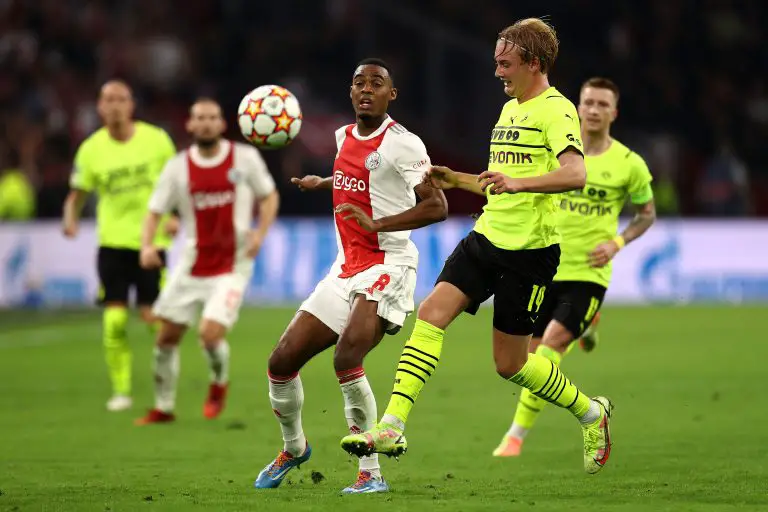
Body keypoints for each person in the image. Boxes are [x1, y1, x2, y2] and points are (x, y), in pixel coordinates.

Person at [341, 19, 613, 475]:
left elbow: (575, 174)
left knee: (510, 365)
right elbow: (499, 185)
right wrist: (460, 180)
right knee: (431, 313)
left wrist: (518, 181)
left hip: (530, 253)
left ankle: (591, 413)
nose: (497, 73)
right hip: (486, 238)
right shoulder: (509, 111)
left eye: (505, 64)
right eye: (495, 64)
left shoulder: (557, 110)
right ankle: (392, 425)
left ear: (533, 62)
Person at [253, 58, 448, 494]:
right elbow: (355, 180)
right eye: (359, 82)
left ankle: (371, 474)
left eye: (376, 83)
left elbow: (437, 206)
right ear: (350, 92)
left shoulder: (404, 144)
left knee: (347, 357)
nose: (366, 89)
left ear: (390, 95)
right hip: (345, 270)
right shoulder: (343, 136)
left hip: (389, 266)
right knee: (280, 363)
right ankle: (294, 448)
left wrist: (378, 224)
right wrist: (321, 183)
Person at [493, 77, 656, 457]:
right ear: (578, 107)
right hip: (545, 266)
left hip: (588, 274)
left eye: (602, 104)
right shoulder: (557, 153)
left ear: (614, 112)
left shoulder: (630, 165)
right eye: (588, 102)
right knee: (530, 362)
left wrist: (616, 243)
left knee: (550, 348)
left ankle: (515, 436)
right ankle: (590, 327)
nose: (594, 110)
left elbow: (646, 215)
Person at [133, 98, 279, 425]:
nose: (207, 123)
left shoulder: (245, 158)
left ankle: (218, 383)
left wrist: (260, 232)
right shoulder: (178, 167)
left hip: (233, 264)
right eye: (200, 118)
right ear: (190, 125)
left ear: (222, 124)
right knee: (166, 337)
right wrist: (146, 245)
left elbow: (269, 195)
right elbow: (154, 211)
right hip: (192, 263)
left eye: (213, 117)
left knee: (210, 334)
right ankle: (164, 407)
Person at [62, 80, 177, 412]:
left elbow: (177, 183)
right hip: (112, 244)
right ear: (99, 107)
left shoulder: (156, 141)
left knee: (154, 319)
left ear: (131, 105)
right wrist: (69, 218)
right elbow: (77, 193)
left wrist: (176, 215)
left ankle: (163, 387)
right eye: (107, 99)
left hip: (151, 243)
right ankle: (122, 391)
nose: (114, 105)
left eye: (120, 99)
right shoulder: (91, 149)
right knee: (113, 321)